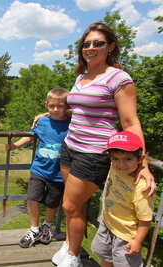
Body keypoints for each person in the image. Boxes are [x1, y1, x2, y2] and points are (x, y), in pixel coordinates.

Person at [29, 23, 156, 267]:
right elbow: (75, 110)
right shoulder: (81, 77)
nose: (91, 47)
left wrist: (143, 164)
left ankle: (74, 256)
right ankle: (70, 245)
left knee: (70, 204)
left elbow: (130, 123)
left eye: (98, 43)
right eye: (87, 43)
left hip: (95, 152)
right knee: (73, 205)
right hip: (70, 148)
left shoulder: (119, 78)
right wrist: (46, 115)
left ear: (111, 47)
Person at [6, 87, 71, 248]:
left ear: (67, 107)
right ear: (46, 105)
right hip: (39, 169)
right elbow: (29, 137)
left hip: (58, 173)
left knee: (52, 202)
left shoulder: (72, 123)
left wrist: (59, 113)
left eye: (60, 106)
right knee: (33, 198)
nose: (56, 109)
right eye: (52, 106)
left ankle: (47, 227)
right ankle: (34, 229)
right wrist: (15, 146)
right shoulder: (41, 122)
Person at [91, 131, 153, 267]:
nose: (121, 164)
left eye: (128, 159)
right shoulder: (114, 168)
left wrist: (138, 241)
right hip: (108, 223)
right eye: (115, 159)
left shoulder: (141, 187)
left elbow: (145, 219)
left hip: (126, 235)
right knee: (106, 257)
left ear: (139, 159)